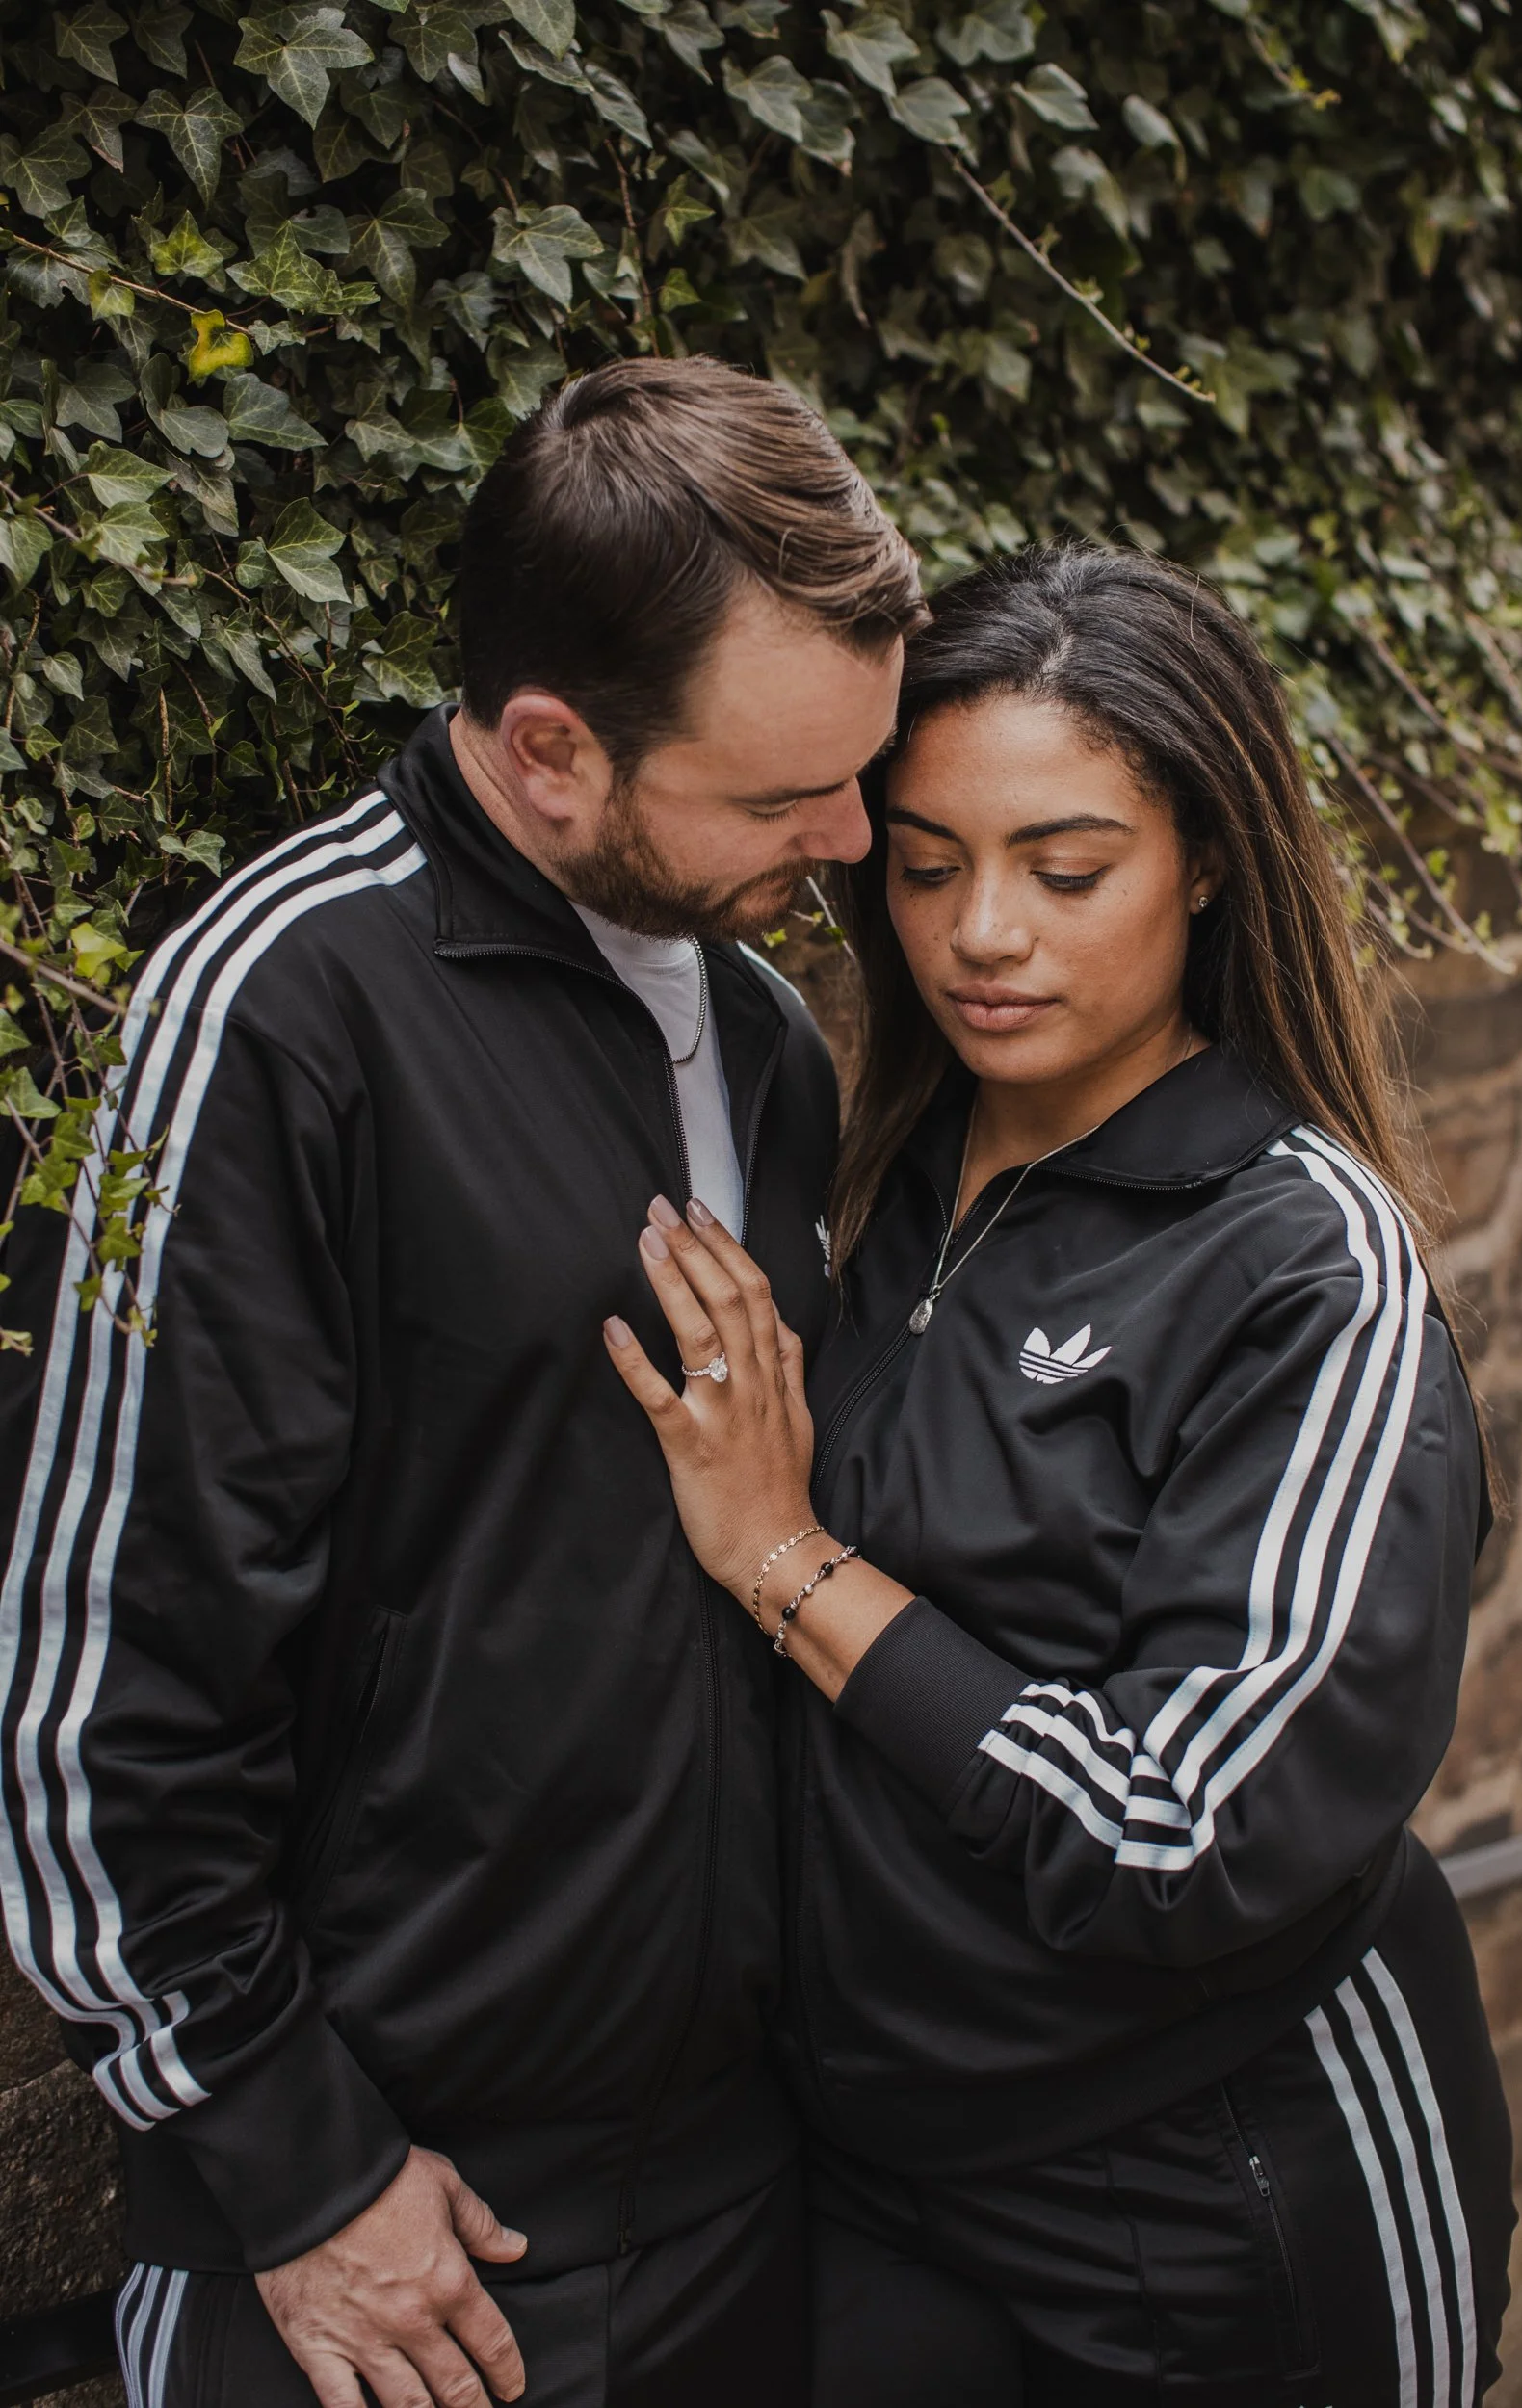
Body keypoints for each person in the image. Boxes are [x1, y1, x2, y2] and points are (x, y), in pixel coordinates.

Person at [0, 357, 925, 2408]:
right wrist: (297, 2166)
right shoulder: (276, 1014)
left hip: (728, 2202)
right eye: (785, 795)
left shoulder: (770, 1042)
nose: (852, 837)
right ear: (548, 751)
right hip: (382, 2241)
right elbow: (94, 1698)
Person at [606, 541, 1516, 2408]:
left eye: (1063, 866)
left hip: (1225, 2186)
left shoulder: (1299, 1267)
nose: (979, 932)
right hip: (879, 2171)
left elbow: (1189, 1831)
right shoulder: (867, 1172)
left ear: (1202, 859)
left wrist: (786, 1558)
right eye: (925, 863)